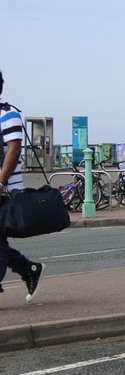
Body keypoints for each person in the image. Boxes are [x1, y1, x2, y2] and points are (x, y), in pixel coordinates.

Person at [0, 70, 43, 302]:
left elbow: (14, 150)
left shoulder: (7, 115)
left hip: (4, 191)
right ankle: (28, 269)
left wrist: (0, 183)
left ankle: (28, 269)